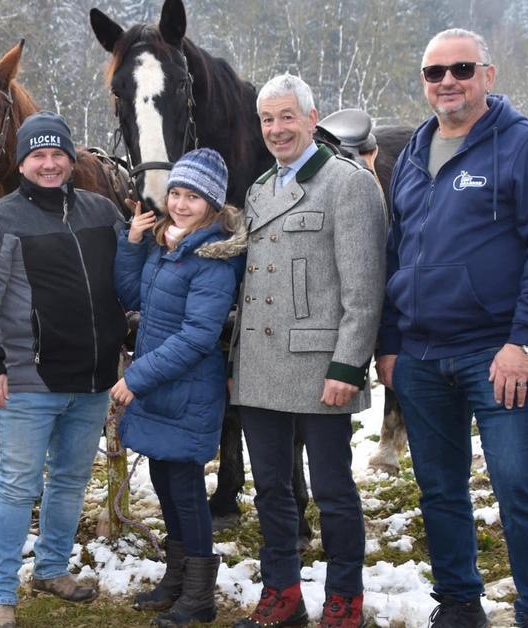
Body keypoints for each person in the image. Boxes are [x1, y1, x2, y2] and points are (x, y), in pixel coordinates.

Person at [374, 28, 528, 628]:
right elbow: (394, 250)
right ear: (425, 84)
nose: (448, 82)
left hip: (497, 354)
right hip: (420, 356)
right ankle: (459, 604)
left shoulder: (525, 146)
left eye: (461, 68)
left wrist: (525, 341)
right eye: (435, 73)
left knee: (516, 484)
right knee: (439, 491)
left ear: (488, 74)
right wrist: (389, 344)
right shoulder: (413, 153)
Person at [0, 112, 127, 628]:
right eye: (38, 156)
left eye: (58, 155)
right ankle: (0, 595)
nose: (49, 164)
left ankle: (52, 568)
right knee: (15, 486)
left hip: (93, 378)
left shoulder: (101, 211)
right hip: (28, 378)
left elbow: (129, 277)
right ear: (23, 162)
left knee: (71, 480)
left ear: (72, 160)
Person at [228, 74, 385, 628]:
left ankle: (345, 597)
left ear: (312, 119)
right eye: (267, 119)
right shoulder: (258, 189)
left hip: (323, 368)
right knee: (271, 489)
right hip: (260, 369)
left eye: (287, 117)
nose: (276, 129)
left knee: (333, 490)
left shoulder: (347, 184)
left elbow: (363, 290)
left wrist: (348, 366)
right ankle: (283, 592)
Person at [111, 148, 247, 627]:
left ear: (212, 204)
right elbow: (132, 296)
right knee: (166, 485)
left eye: (193, 196)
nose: (182, 204)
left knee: (187, 492)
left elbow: (196, 337)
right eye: (176, 193)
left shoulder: (213, 258)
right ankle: (176, 576)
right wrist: (132, 243)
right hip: (159, 386)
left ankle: (199, 596)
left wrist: (136, 378)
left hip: (186, 388)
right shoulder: (167, 246)